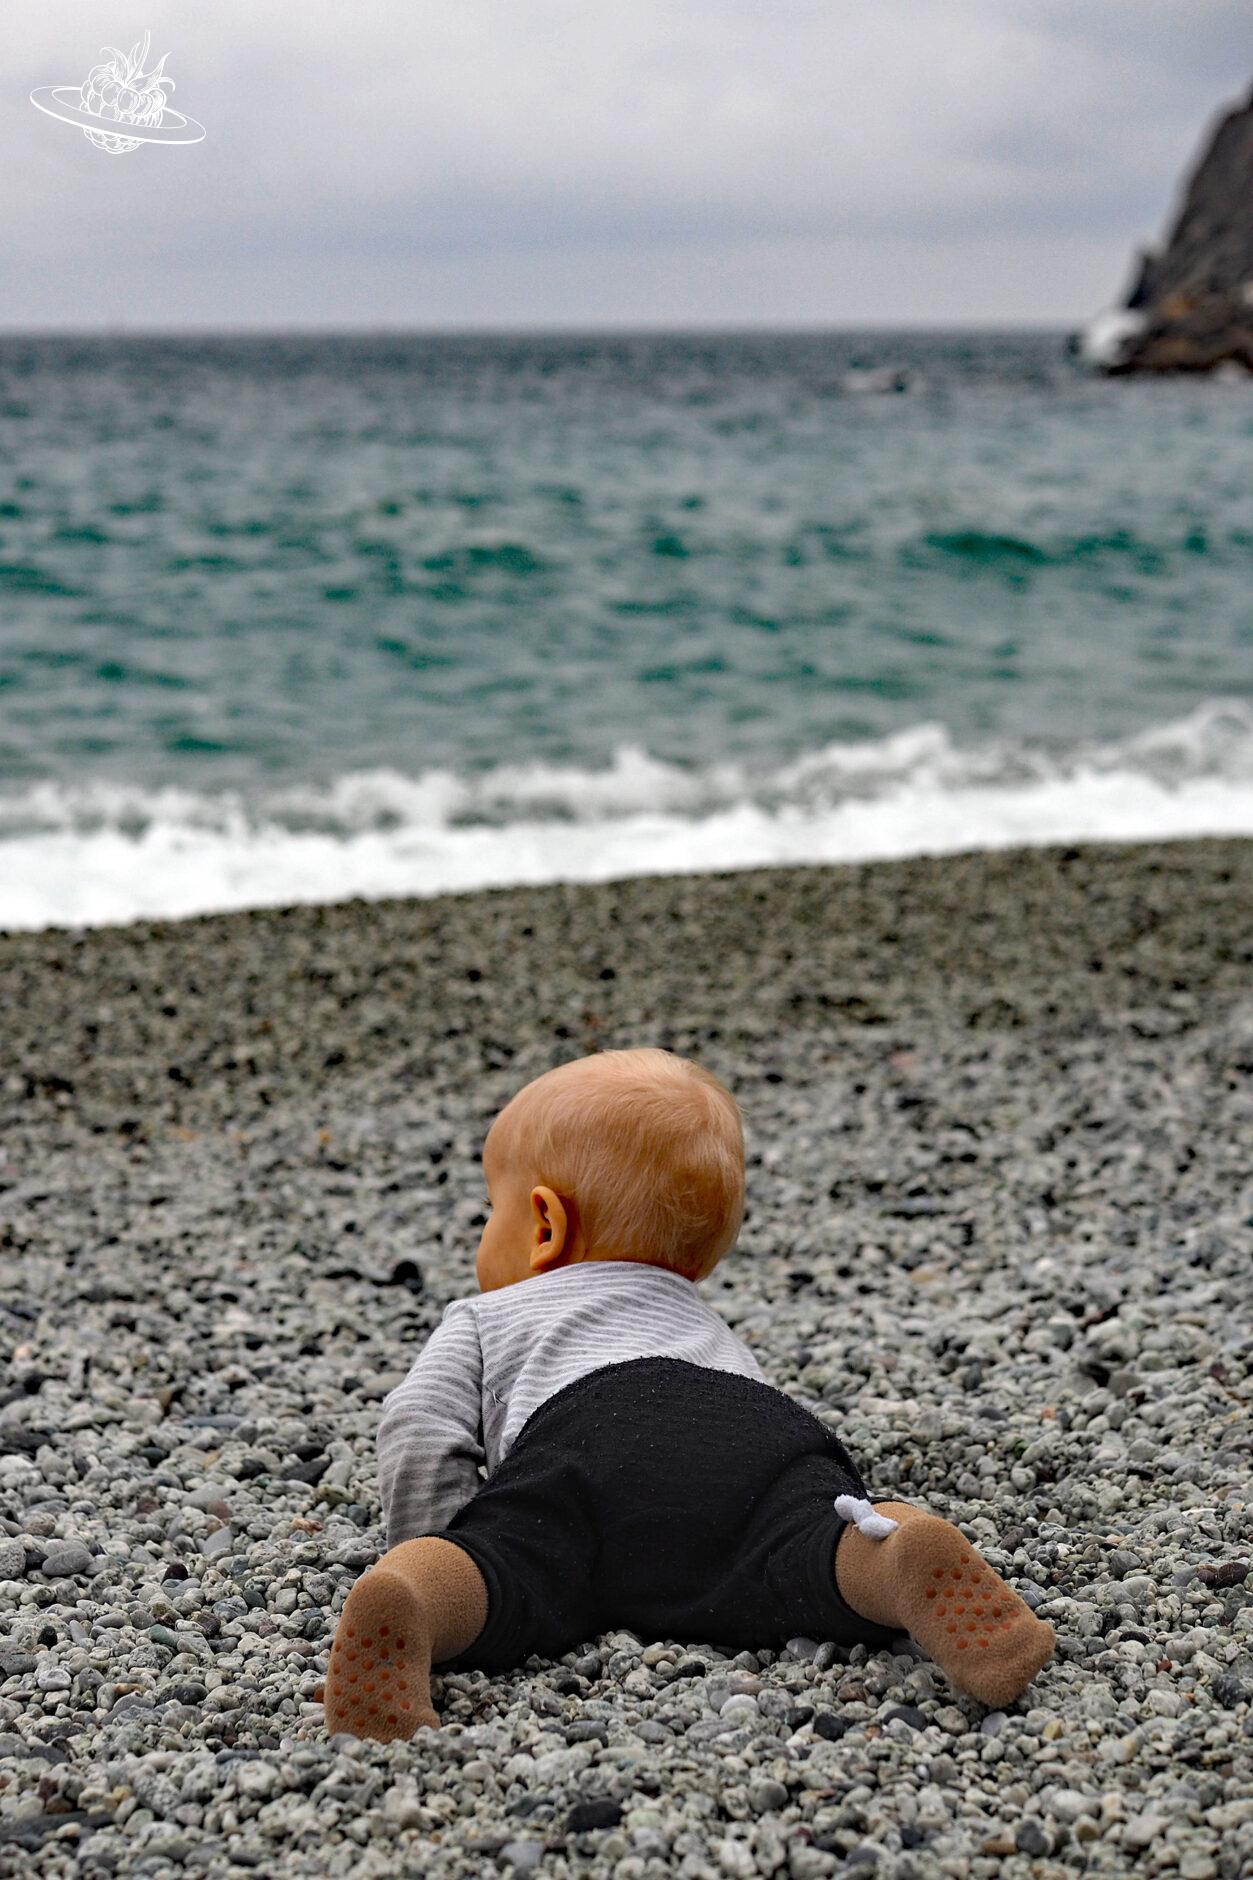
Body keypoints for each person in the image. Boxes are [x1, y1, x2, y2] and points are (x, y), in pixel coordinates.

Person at [323, 1048, 1053, 1740]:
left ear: (545, 1224)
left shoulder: (488, 1315)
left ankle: (416, 1598)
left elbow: (419, 1426)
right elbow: (755, 1420)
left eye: (492, 1208)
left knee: (507, 1567)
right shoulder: (701, 1320)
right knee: (800, 1544)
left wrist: (446, 1540)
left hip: (589, 1437)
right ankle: (888, 1553)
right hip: (751, 1428)